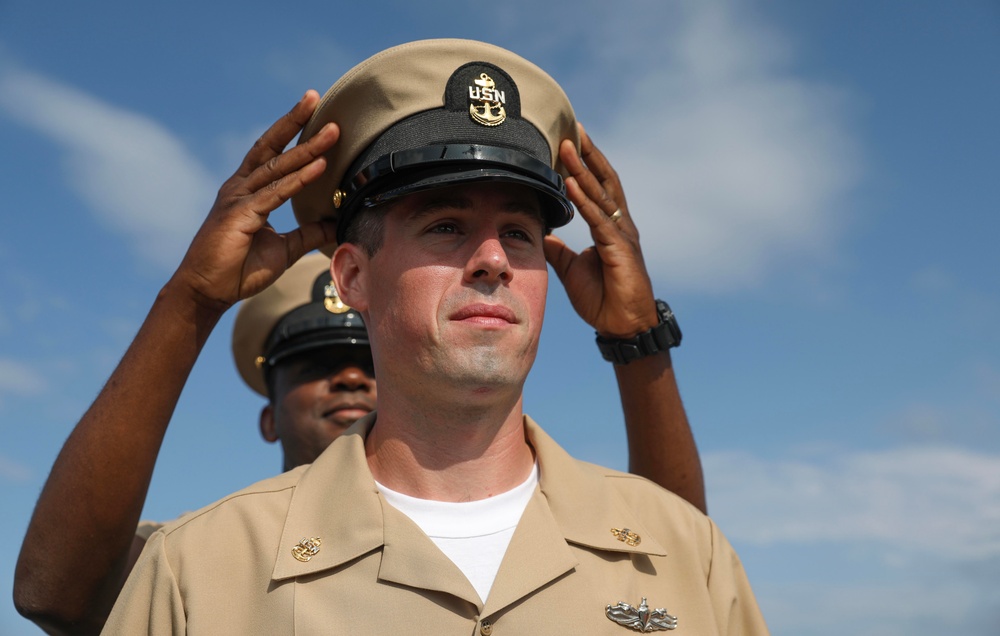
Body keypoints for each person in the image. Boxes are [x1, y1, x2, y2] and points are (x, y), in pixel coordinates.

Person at [100, 38, 765, 634]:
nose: (494, 259)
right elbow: (59, 592)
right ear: (354, 275)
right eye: (445, 225)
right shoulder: (201, 571)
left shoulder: (687, 553)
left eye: (519, 233)